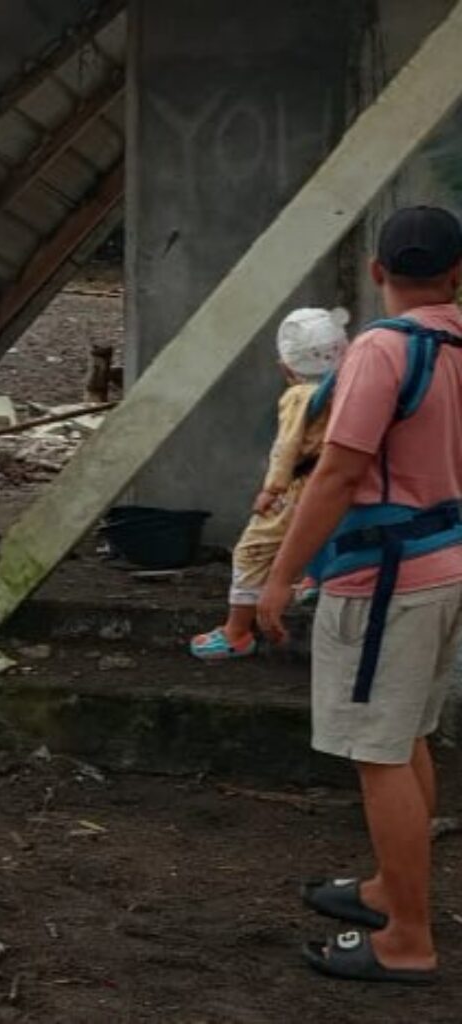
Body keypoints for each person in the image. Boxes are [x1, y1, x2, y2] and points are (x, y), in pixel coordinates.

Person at [258, 205, 462, 984]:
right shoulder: (456, 344)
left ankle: (407, 938)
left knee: (378, 755)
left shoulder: (383, 348)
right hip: (443, 566)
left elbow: (340, 472)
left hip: (383, 580)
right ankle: (391, 891)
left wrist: (282, 575)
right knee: (406, 739)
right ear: (457, 274)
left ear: (379, 271)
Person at [190, 307, 349, 660]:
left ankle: (236, 632)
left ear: (286, 369)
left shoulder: (298, 396)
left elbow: (287, 446)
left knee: (253, 549)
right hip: (339, 482)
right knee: (325, 532)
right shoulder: (352, 386)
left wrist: (272, 488)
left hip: (301, 485)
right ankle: (313, 580)